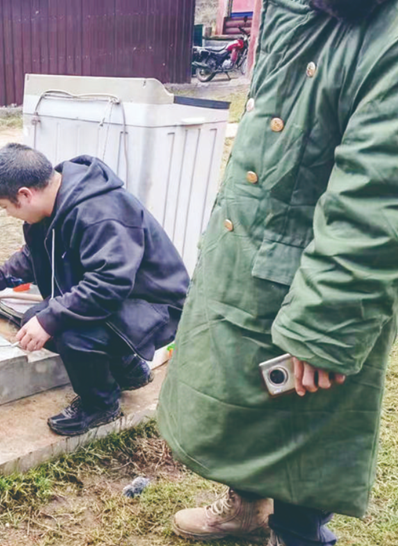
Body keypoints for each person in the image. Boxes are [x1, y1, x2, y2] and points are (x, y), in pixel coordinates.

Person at [157, 1, 398, 545]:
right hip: (249, 258)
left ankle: (297, 535)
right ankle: (245, 508)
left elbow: (375, 202)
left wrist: (324, 327)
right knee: (241, 391)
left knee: (305, 421)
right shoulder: (294, 8)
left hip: (317, 278)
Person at [0, 144, 189, 436]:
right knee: (34, 318)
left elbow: (109, 284)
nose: (7, 214)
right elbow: (35, 255)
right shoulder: (53, 204)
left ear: (25, 195)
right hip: (120, 297)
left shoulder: (99, 213)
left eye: (4, 206)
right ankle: (127, 369)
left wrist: (51, 320)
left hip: (153, 304)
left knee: (69, 333)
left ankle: (101, 406)